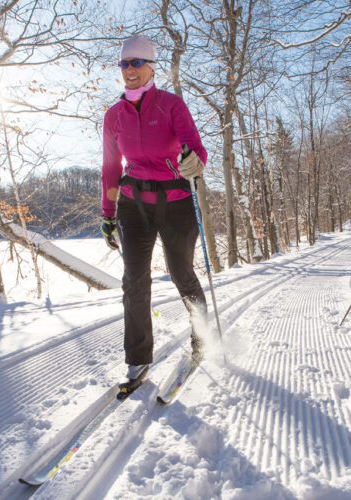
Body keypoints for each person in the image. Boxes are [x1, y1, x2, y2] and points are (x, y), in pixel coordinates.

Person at [99, 34, 208, 388]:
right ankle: (138, 359)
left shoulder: (170, 105)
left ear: (150, 67)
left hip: (175, 200)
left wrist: (193, 161)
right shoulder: (114, 116)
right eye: (124, 64)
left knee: (181, 273)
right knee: (134, 280)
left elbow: (196, 148)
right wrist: (107, 213)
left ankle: (202, 338)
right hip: (134, 204)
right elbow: (111, 168)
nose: (129, 70)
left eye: (136, 63)